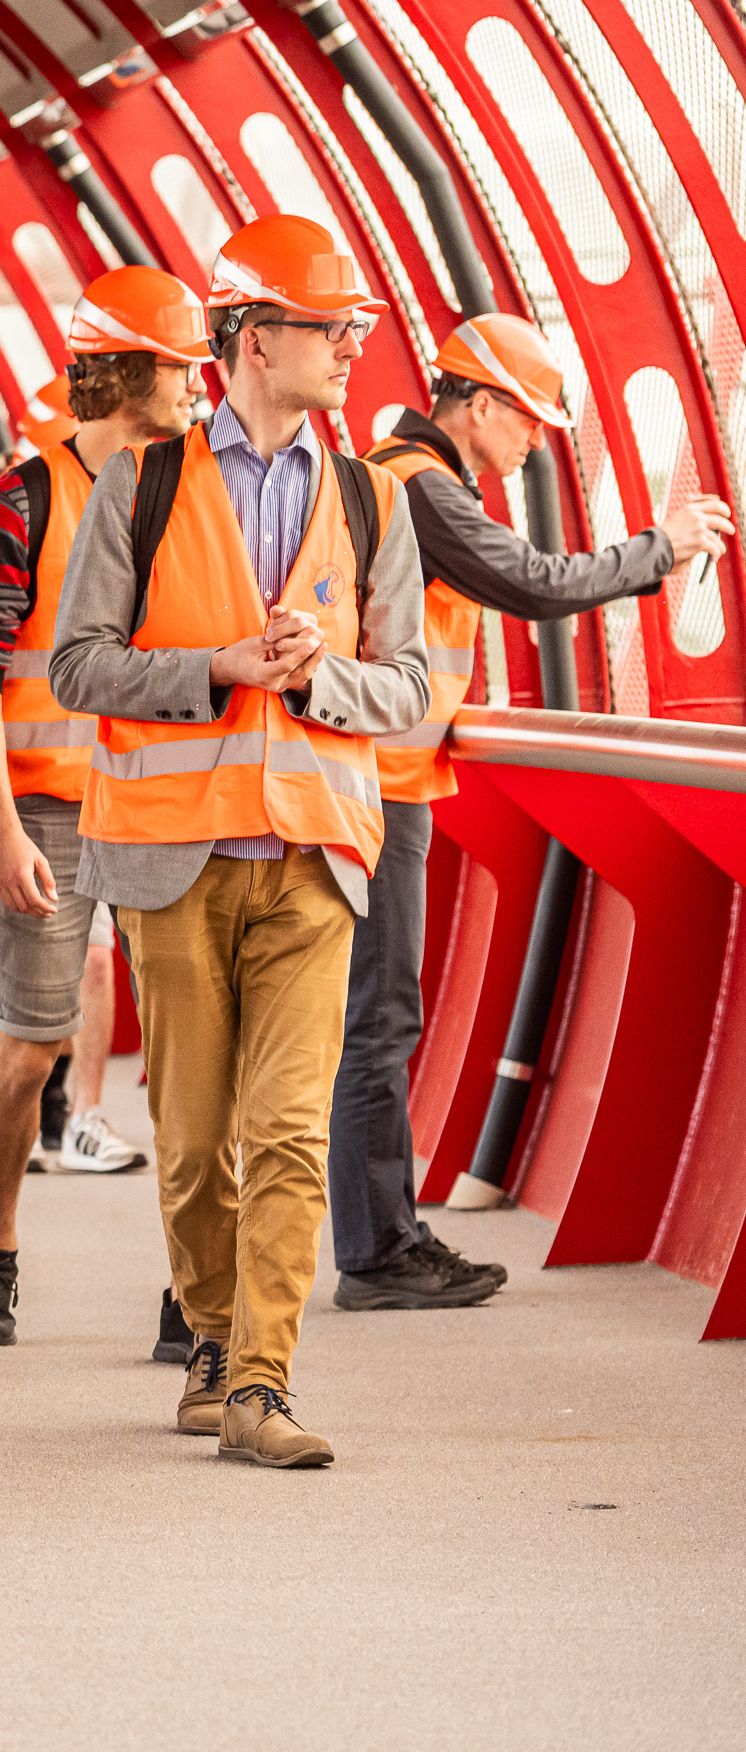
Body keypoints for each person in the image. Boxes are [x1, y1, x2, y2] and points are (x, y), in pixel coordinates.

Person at [48, 214, 433, 1469]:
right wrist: (214, 668)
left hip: (315, 857)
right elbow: (76, 664)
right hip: (172, 858)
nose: (353, 345)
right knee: (197, 1134)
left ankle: (262, 1380)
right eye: (333, 326)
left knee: (285, 1130)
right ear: (255, 339)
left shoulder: (376, 498)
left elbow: (416, 690)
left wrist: (324, 683)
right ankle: (212, 1343)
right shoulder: (143, 484)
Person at [334, 317, 730, 1308]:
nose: (534, 443)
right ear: (477, 406)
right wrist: (661, 549)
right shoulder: (418, 486)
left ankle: (376, 1236)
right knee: (376, 1021)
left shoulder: (403, 477)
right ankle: (377, 1252)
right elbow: (534, 584)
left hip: (380, 775)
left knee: (366, 1021)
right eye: (528, 422)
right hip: (369, 784)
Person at [0, 269, 204, 1346]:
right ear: (128, 371)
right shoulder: (20, 500)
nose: (198, 381)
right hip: (47, 810)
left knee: (190, 1053)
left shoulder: (201, 492)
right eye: (182, 362)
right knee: (30, 1043)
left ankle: (193, 1288)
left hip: (169, 806)